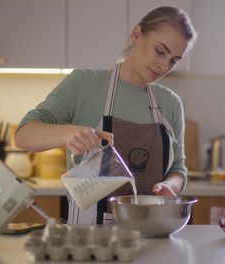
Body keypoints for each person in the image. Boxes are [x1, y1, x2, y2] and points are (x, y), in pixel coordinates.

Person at [15, 6, 197, 224]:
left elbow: (178, 168)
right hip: (90, 241)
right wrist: (68, 133)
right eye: (160, 51)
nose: (164, 65)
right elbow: (23, 135)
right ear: (137, 35)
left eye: (174, 60)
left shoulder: (170, 103)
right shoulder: (84, 85)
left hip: (153, 233)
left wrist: (171, 186)